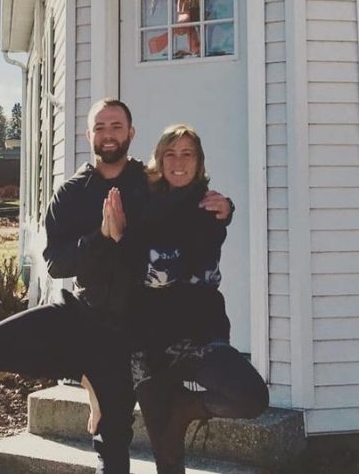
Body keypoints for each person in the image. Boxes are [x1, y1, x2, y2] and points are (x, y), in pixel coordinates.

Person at [0, 99, 234, 474]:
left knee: (139, 447)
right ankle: (85, 374)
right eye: (100, 127)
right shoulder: (71, 194)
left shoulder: (148, 182)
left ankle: (96, 382)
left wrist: (226, 208)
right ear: (88, 135)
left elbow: (189, 193)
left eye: (116, 126)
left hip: (140, 329)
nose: (108, 135)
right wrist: (101, 237)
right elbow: (56, 263)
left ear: (131, 133)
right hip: (87, 315)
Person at [107, 124, 268, 474]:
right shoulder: (142, 202)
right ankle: (174, 418)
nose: (178, 162)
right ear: (159, 160)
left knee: (250, 396)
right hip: (147, 344)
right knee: (168, 459)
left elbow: (161, 272)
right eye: (170, 153)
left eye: (187, 154)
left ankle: (186, 408)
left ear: (199, 162)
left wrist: (124, 241)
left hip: (198, 336)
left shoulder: (209, 207)